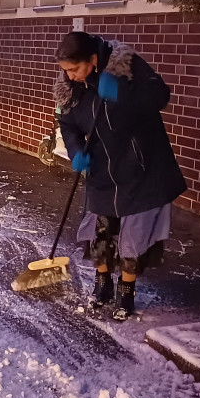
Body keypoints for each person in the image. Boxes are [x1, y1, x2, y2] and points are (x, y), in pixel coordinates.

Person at [54, 30, 186, 321]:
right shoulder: (69, 84)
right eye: (66, 71)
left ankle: (127, 291)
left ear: (91, 58)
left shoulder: (126, 65)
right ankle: (102, 285)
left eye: (75, 69)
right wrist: (76, 150)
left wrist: (121, 94)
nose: (71, 76)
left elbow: (159, 96)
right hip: (101, 167)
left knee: (134, 237)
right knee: (100, 232)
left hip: (139, 167)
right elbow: (66, 120)